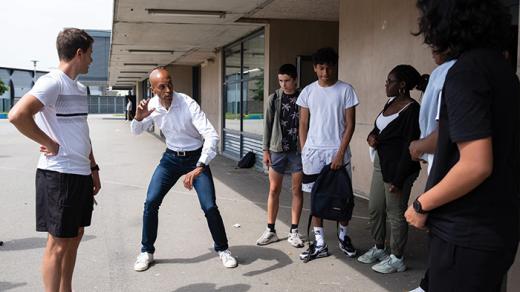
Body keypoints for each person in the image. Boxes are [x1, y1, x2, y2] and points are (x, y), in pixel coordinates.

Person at [406, 0, 520, 291]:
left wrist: (421, 204)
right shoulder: (503, 71)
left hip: (465, 232)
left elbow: (475, 164)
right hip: (496, 227)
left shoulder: (466, 73)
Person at [8, 28, 101, 292]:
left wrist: (93, 167)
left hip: (80, 172)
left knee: (76, 234)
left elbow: (82, 131)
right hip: (58, 174)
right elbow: (17, 115)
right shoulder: (53, 82)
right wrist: (47, 141)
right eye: (90, 54)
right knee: (58, 243)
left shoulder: (80, 88)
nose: (92, 60)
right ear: (79, 53)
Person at [131, 67, 237, 271]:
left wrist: (200, 166)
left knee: (209, 206)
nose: (168, 89)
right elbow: (136, 131)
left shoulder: (187, 103)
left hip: (195, 157)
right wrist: (138, 118)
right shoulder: (152, 106)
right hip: (170, 159)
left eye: (170, 83)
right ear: (153, 89)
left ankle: (223, 249)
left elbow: (212, 135)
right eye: (162, 86)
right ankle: (146, 251)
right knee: (151, 202)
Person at [358, 65, 424, 274]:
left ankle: (397, 258)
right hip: (381, 164)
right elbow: (379, 128)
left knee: (395, 213)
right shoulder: (390, 102)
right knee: (375, 208)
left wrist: (398, 179)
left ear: (402, 85)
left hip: (399, 168)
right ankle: (379, 248)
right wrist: (371, 136)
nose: (386, 85)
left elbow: (409, 146)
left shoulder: (412, 109)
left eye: (390, 81)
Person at [297, 47, 359, 261]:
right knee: (317, 199)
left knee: (343, 197)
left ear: (335, 67)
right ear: (315, 68)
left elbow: (350, 125)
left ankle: (343, 237)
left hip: (337, 152)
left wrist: (340, 153)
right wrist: (305, 150)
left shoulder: (346, 90)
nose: (325, 72)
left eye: (329, 67)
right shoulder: (307, 92)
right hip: (313, 154)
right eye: (321, 68)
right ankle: (320, 242)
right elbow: (303, 123)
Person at [407, 50, 456, 292]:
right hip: (440, 161)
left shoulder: (454, 73)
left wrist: (418, 147)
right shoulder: (445, 72)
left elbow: (444, 135)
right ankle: (430, 282)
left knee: (442, 229)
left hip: (448, 165)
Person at [257, 64, 304, 248]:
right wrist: (265, 150)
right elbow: (267, 125)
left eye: (287, 81)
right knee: (274, 190)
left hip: (297, 151)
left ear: (295, 80)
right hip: (277, 149)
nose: (283, 84)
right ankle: (270, 230)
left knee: (296, 190)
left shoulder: (304, 97)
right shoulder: (274, 98)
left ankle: (294, 231)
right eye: (280, 81)